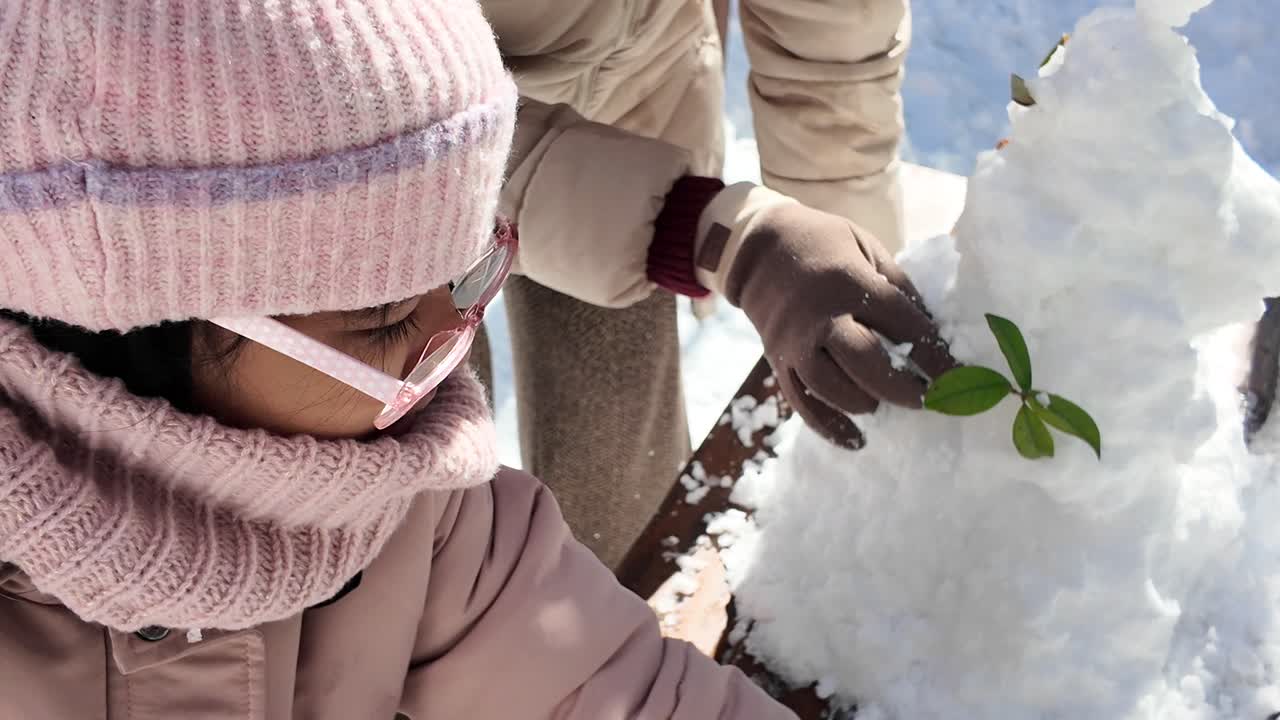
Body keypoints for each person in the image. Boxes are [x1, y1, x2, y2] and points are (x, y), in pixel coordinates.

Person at [0, 1, 807, 717]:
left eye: (468, 268)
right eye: (382, 315)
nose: (456, 333)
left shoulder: (427, 517)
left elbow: (615, 689)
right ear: (129, 325)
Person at [473, 0, 935, 569]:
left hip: (633, 108)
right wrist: (706, 234)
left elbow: (831, 51)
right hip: (378, 189)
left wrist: (846, 260)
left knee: (624, 506)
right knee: (427, 513)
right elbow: (354, 101)